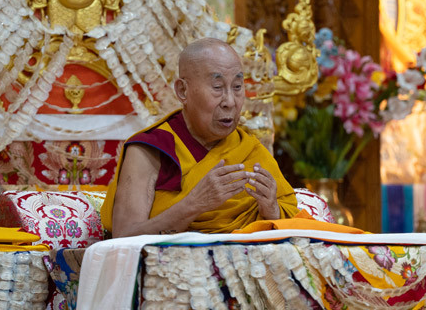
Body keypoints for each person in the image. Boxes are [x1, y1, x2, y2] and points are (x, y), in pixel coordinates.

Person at [100, 38, 299, 237]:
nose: (230, 101)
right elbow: (124, 237)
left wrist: (271, 210)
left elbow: (293, 227)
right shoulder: (151, 149)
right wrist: (193, 205)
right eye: (217, 87)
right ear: (182, 91)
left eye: (237, 87)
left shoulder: (249, 150)